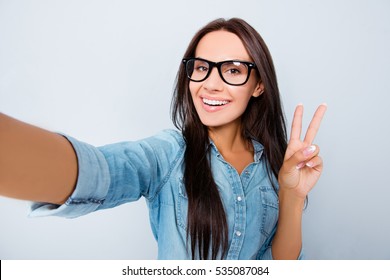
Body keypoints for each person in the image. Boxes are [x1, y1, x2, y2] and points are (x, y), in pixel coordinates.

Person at [0, 18, 326, 260]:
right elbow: (102, 170)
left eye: (233, 70)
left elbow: (279, 264)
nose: (210, 84)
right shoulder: (170, 154)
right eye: (201, 68)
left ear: (258, 85)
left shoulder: (273, 167)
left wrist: (291, 195)